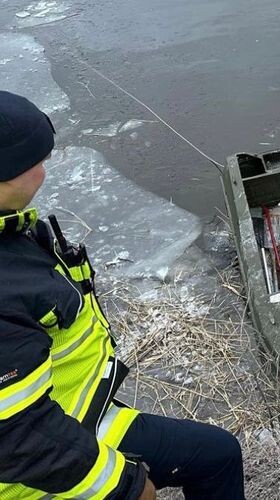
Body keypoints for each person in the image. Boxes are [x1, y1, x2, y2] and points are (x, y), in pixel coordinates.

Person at [0, 91, 244, 499]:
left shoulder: (10, 234)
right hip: (35, 470)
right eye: (37, 161)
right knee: (214, 456)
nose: (44, 171)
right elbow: (17, 435)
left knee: (215, 454)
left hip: (76, 410)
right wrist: (124, 486)